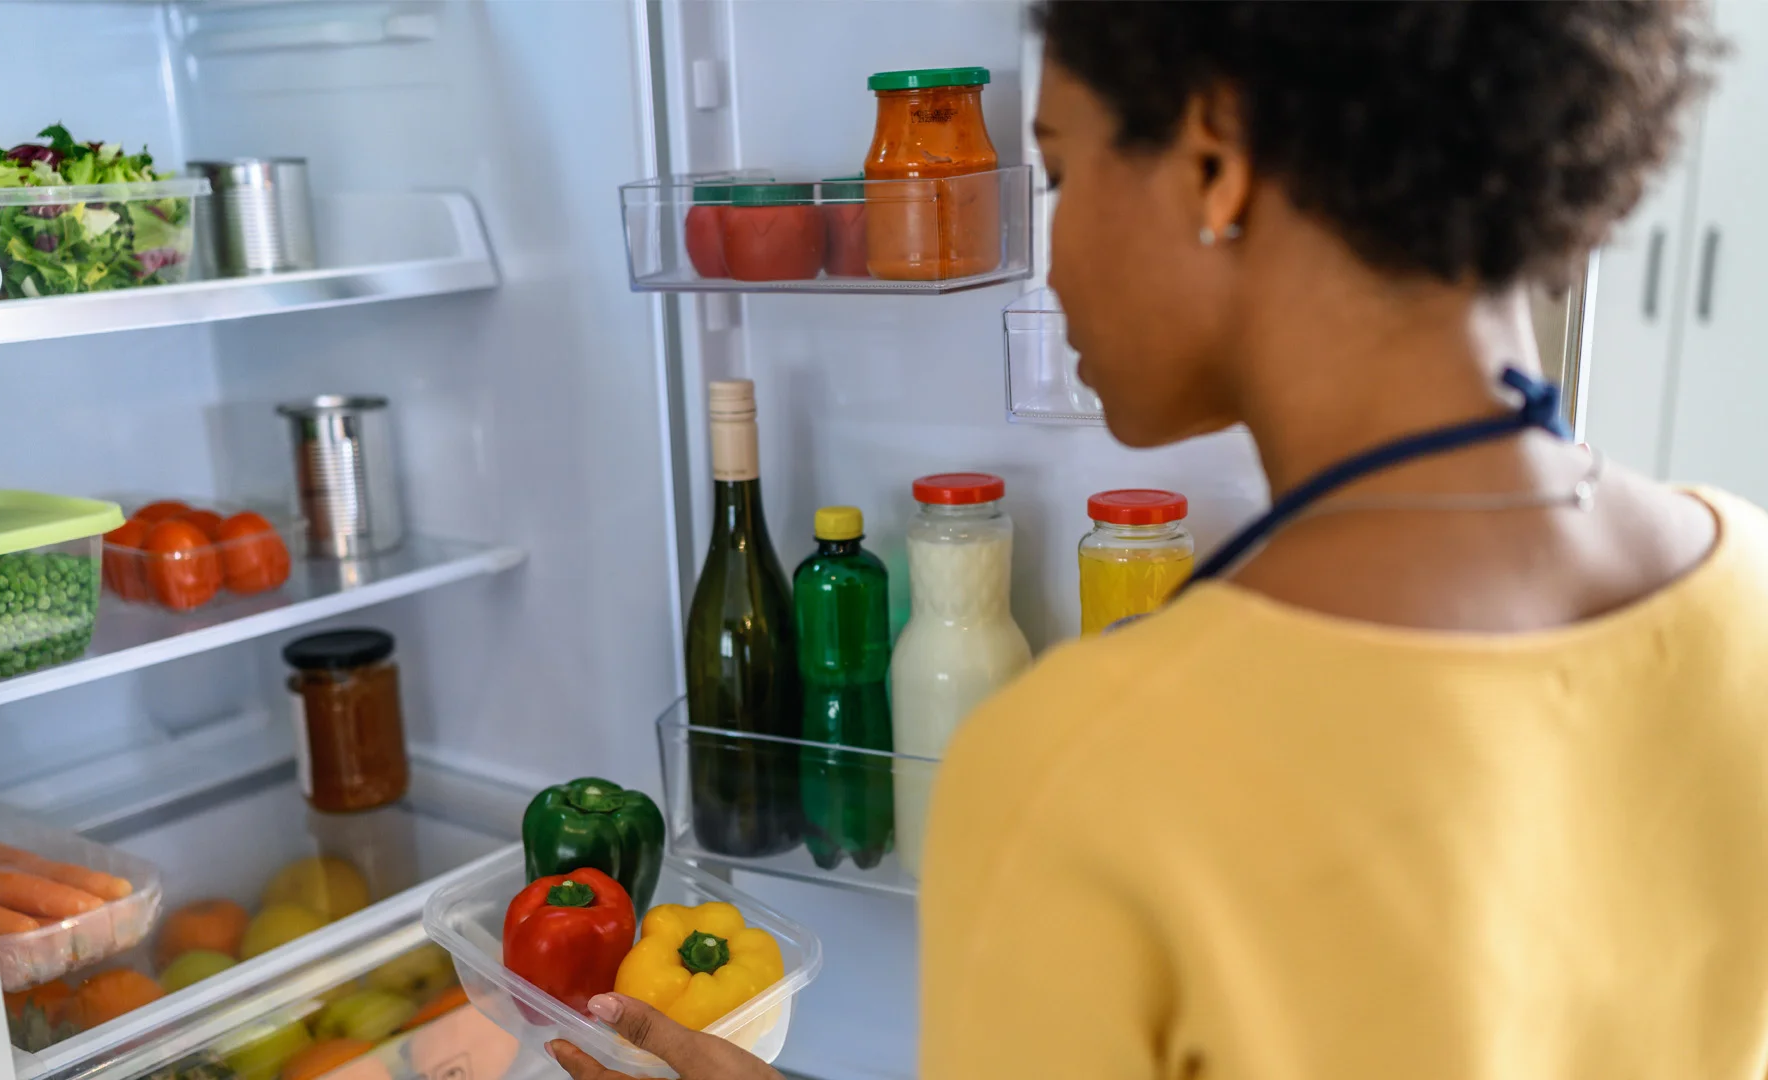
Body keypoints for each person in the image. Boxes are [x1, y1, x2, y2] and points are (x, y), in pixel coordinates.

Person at [554, 3, 1762, 1078]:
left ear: (1215, 158)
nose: (1055, 249)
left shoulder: (1082, 766)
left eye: (1065, 173)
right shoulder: (1746, 586)